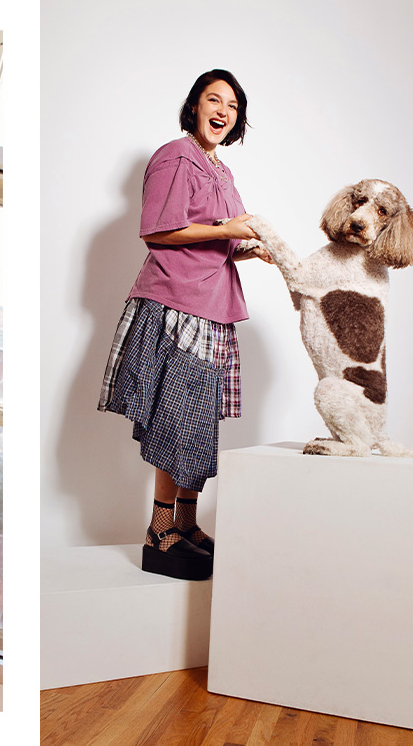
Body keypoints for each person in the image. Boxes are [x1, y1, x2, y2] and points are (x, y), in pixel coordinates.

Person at [98, 70, 271, 581]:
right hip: (179, 304)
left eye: (233, 106)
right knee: (179, 420)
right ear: (194, 106)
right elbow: (158, 228)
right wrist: (231, 230)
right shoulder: (176, 155)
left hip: (214, 306)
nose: (223, 110)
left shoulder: (221, 169)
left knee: (199, 424)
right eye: (213, 99)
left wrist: (246, 245)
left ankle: (188, 525)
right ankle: (159, 531)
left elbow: (219, 234)